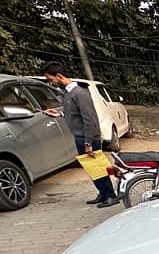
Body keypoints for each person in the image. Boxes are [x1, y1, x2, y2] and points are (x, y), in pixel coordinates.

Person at [41, 61, 119, 207]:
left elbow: (89, 120)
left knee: (98, 168)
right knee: (91, 168)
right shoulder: (69, 93)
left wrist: (88, 142)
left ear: (59, 76)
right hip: (81, 137)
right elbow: (76, 114)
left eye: (51, 80)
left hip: (88, 138)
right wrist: (60, 114)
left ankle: (110, 195)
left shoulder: (79, 93)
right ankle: (102, 193)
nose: (51, 84)